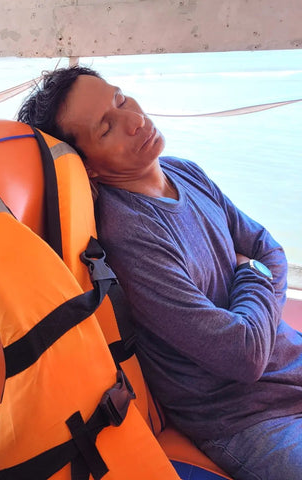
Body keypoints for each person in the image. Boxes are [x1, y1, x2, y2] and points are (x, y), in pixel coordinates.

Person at [17, 65, 302, 480]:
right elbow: (242, 354)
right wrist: (255, 276)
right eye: (106, 129)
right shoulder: (130, 236)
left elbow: (268, 248)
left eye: (120, 99)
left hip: (289, 364)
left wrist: (255, 270)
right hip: (246, 417)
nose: (134, 121)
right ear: (89, 168)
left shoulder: (185, 171)